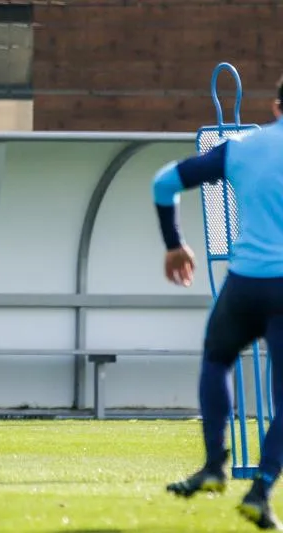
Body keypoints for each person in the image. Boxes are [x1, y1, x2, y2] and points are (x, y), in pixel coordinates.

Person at [158, 75, 283, 529]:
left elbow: (163, 182)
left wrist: (174, 243)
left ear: (275, 107)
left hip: (246, 282)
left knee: (217, 359)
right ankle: (262, 490)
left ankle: (214, 464)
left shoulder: (244, 147)